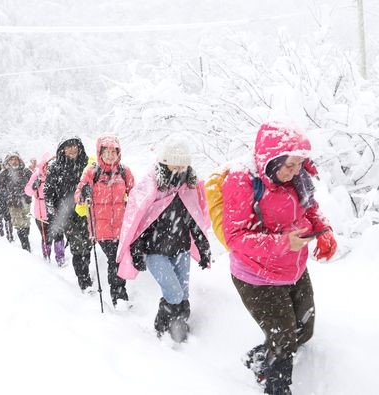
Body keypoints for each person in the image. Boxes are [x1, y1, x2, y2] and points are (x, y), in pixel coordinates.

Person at [222, 123, 337, 395]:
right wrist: (284, 243)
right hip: (256, 275)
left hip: (293, 269)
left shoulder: (297, 178)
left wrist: (324, 231)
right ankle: (276, 387)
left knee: (304, 329)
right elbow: (235, 237)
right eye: (290, 165)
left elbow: (310, 208)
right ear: (271, 160)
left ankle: (259, 359)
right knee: (285, 340)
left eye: (300, 164)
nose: (296, 170)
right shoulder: (242, 181)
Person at [117, 134, 211, 338]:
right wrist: (137, 251)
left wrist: (204, 249)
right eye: (174, 166)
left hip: (181, 249)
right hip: (155, 252)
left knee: (183, 295)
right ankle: (161, 329)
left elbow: (194, 221)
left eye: (183, 166)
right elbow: (139, 223)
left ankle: (179, 330)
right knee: (174, 293)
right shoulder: (151, 187)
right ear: (163, 164)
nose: (179, 171)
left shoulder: (189, 188)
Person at [74, 135, 135, 308]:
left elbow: (135, 194)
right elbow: (78, 195)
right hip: (101, 227)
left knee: (118, 259)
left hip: (121, 227)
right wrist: (84, 193)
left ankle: (119, 294)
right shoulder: (92, 172)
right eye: (106, 151)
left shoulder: (124, 172)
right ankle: (119, 297)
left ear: (118, 153)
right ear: (100, 152)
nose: (110, 155)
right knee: (114, 260)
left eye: (113, 151)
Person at [44, 137, 93, 291]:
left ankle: (85, 273)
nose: (72, 149)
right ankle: (84, 281)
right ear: (62, 150)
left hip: (87, 212)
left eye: (75, 146)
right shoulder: (56, 168)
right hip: (68, 215)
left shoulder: (88, 165)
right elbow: (49, 191)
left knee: (88, 245)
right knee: (78, 247)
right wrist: (52, 209)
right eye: (68, 147)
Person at [25, 152, 66, 265]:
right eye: (48, 164)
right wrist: (34, 186)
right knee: (46, 236)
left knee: (58, 234)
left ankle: (60, 258)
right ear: (44, 165)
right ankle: (46, 256)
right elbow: (27, 191)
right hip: (41, 211)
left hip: (56, 210)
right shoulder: (37, 175)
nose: (51, 167)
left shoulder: (59, 174)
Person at [0, 152, 33, 251]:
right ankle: (26, 247)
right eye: (11, 159)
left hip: (26, 202)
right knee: (19, 225)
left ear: (19, 160)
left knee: (26, 223)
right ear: (8, 161)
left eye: (16, 159)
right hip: (13, 204)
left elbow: (33, 182)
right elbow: (0, 188)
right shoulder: (4, 173)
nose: (14, 161)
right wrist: (10, 194)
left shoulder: (26, 171)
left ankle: (26, 238)